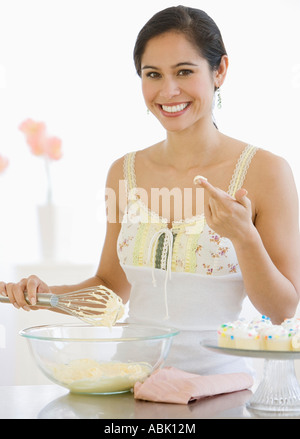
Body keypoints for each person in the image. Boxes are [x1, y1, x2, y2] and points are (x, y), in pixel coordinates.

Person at [1, 5, 300, 374]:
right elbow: (111, 287)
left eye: (184, 72)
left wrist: (244, 237)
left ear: (219, 70)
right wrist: (44, 295)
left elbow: (282, 309)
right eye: (153, 74)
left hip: (220, 389)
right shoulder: (123, 171)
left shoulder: (266, 172)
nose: (168, 90)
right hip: (132, 382)